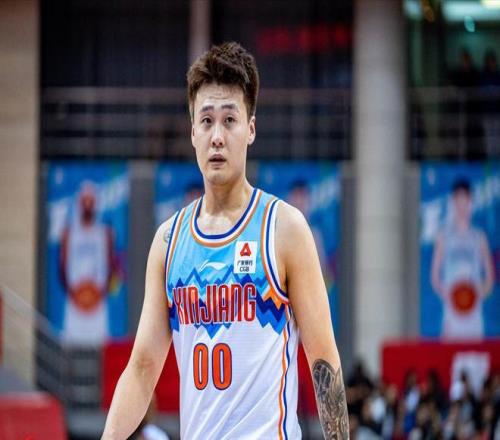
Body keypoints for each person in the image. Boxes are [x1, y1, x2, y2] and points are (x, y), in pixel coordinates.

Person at [102, 42, 348, 439]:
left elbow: (323, 359)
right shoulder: (168, 242)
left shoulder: (284, 229)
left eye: (230, 119)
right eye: (207, 121)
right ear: (192, 132)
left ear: (250, 129)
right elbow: (143, 368)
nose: (217, 136)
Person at [431, 178, 494, 339]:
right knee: (451, 353)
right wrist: (450, 296)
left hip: (474, 316)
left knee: (475, 353)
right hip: (452, 315)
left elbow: (490, 277)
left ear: (471, 202)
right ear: (453, 203)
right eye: (458, 201)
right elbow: (435, 276)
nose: (462, 206)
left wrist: (477, 296)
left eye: (465, 201)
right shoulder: (443, 236)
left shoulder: (479, 237)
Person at [60, 181, 114, 345]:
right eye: (85, 201)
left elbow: (111, 264)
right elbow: (62, 265)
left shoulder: (105, 233)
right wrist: (73, 293)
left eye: (91, 201)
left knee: (100, 342)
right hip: (75, 299)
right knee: (72, 342)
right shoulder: (69, 233)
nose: (88, 206)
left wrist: (101, 292)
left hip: (98, 299)